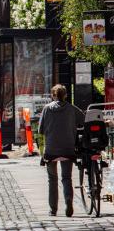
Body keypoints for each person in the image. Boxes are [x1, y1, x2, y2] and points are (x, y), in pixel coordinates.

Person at [38, 84, 84, 217]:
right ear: (65, 95)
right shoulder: (71, 109)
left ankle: (53, 209)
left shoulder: (47, 109)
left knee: (52, 179)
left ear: (53, 95)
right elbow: (82, 120)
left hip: (51, 149)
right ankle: (68, 201)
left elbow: (41, 129)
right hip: (68, 148)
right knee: (66, 177)